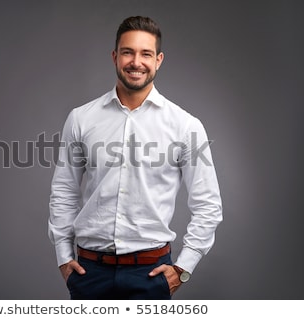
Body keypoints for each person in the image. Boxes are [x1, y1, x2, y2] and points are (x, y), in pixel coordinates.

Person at [48, 16, 222, 299]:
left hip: (152, 274)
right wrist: (63, 256)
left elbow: (208, 205)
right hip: (89, 273)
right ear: (115, 56)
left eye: (146, 54)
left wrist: (182, 268)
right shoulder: (81, 118)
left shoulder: (185, 126)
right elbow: (64, 190)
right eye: (128, 52)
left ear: (159, 60)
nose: (136, 62)